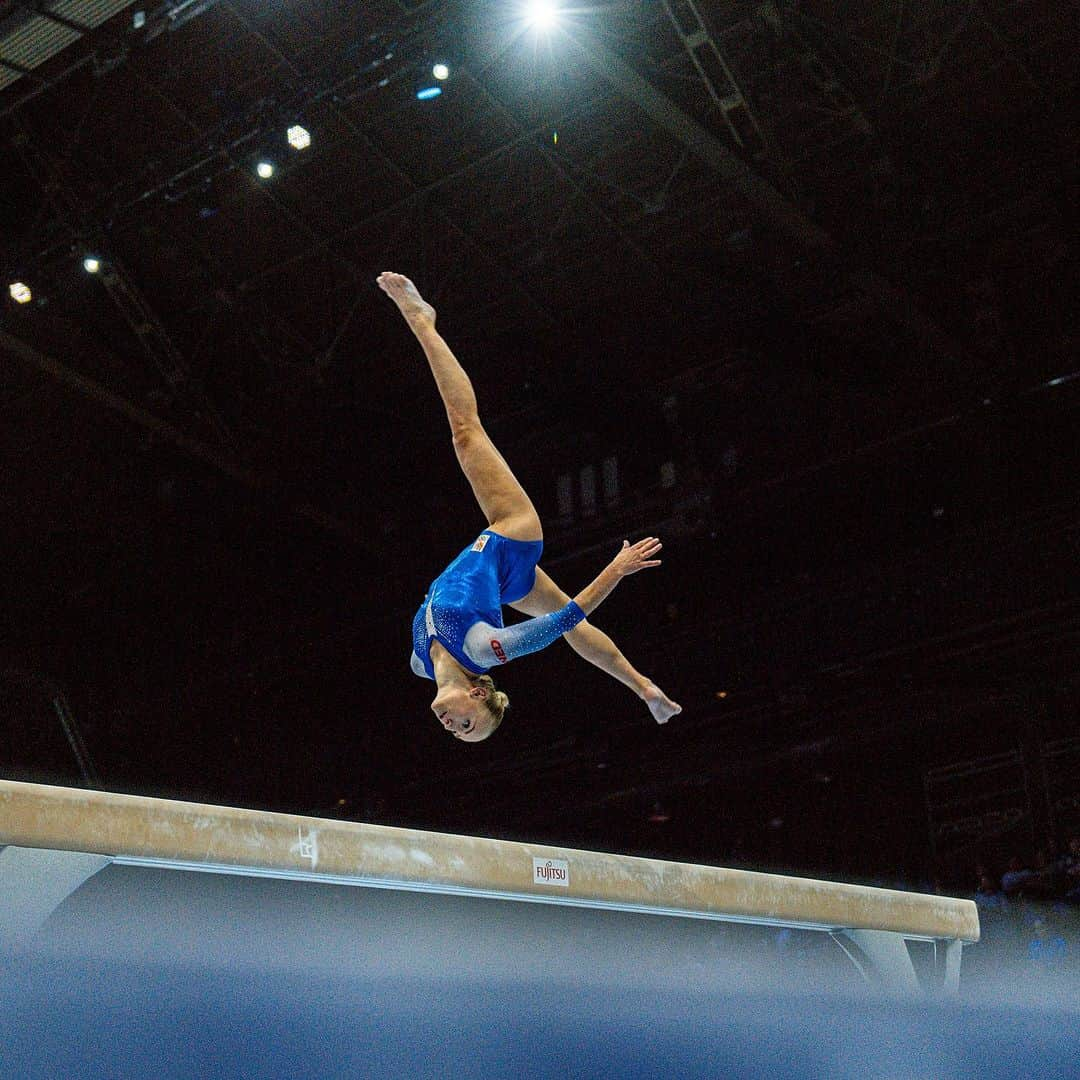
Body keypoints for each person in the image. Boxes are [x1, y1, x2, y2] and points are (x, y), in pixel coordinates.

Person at [377, 272, 682, 743]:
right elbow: (565, 621)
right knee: (465, 433)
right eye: (468, 725)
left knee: (577, 637)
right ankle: (423, 322)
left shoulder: (420, 663)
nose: (452, 727)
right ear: (479, 696)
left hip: (505, 579)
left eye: (457, 733)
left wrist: (644, 690)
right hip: (512, 536)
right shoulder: (485, 649)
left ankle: (643, 688)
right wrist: (616, 569)